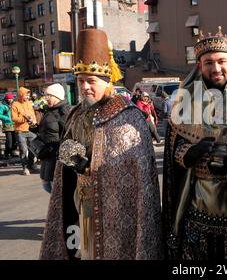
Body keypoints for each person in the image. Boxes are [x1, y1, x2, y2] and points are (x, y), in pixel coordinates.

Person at [40, 29, 163, 260]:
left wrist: (97, 166)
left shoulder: (130, 116)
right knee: (82, 252)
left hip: (115, 211)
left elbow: (140, 176)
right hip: (79, 200)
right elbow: (65, 149)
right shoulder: (75, 114)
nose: (85, 87)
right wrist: (73, 159)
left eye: (91, 81)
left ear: (107, 82)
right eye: (80, 81)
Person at [162, 27, 227, 260]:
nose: (216, 68)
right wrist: (188, 154)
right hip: (194, 203)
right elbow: (174, 149)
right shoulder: (183, 105)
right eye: (208, 62)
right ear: (199, 67)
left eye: (222, 61)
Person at [38, 83, 72, 194]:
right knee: (46, 184)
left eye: (49, 95)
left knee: (54, 189)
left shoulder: (64, 112)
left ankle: (61, 209)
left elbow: (70, 135)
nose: (46, 98)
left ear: (57, 96)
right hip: (47, 154)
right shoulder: (49, 110)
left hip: (56, 156)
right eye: (46, 95)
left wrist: (58, 148)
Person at [11, 87, 37, 176]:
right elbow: (13, 118)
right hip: (20, 131)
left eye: (28, 95)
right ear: (21, 94)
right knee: (23, 150)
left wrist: (34, 120)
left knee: (33, 148)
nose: (28, 96)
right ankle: (25, 167)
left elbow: (33, 114)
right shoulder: (15, 104)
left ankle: (31, 164)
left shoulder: (29, 103)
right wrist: (24, 119)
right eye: (26, 94)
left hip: (30, 130)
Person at [0, 93, 17, 160]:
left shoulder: (14, 104)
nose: (10, 100)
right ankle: (6, 153)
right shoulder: (2, 106)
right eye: (9, 98)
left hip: (15, 125)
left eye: (11, 98)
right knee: (9, 141)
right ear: (6, 99)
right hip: (7, 125)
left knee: (15, 140)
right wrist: (7, 118)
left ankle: (12, 152)